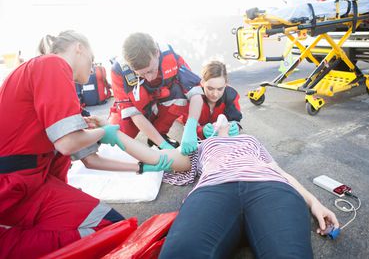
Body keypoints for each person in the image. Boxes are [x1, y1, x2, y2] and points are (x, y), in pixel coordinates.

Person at [0, 31, 171, 259]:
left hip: (32, 185)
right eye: (91, 60)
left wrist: (140, 167)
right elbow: (67, 143)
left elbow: (90, 159)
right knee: (109, 231)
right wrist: (104, 132)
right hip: (13, 184)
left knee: (112, 226)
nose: (92, 70)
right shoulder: (52, 64)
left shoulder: (59, 88)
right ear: (79, 48)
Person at [155, 118, 338, 259]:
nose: (221, 120)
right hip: (213, 190)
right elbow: (159, 160)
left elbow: (279, 171)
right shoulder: (202, 145)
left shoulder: (249, 140)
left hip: (269, 186)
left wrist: (314, 202)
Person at [109, 32, 204, 155]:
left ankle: (159, 135)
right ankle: (160, 141)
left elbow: (195, 92)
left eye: (151, 70)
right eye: (141, 74)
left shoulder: (171, 57)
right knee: (114, 144)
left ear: (157, 53)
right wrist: (164, 146)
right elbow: (132, 113)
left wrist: (191, 127)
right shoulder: (118, 71)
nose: (149, 78)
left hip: (160, 103)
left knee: (180, 94)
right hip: (137, 110)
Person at [191, 60, 242, 139]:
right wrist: (201, 131)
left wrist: (236, 127)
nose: (215, 94)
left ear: (226, 84)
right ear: (202, 82)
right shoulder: (193, 96)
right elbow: (188, 125)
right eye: (210, 88)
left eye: (220, 89)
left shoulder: (231, 95)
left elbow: (235, 119)